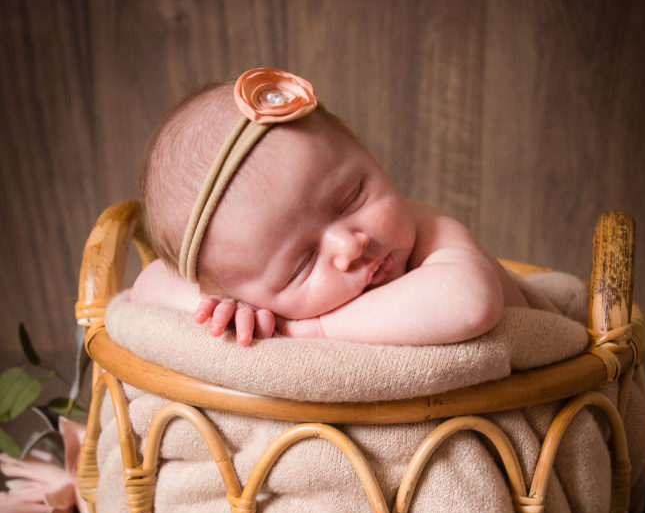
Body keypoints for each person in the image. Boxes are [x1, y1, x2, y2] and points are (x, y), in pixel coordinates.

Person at [132, 68, 528, 346]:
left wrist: (315, 328)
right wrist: (223, 305)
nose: (350, 245)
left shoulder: (430, 232)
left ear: (362, 149)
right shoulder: (247, 296)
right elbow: (148, 286)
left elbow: (471, 304)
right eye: (302, 263)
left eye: (351, 197)